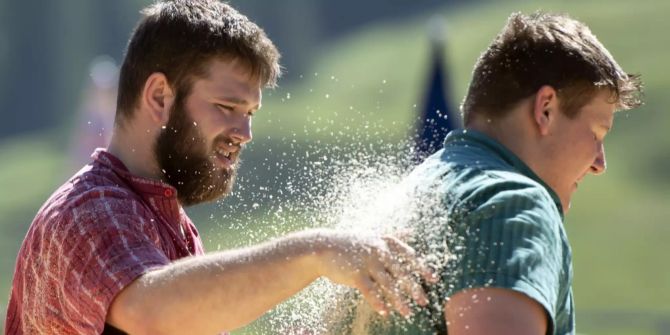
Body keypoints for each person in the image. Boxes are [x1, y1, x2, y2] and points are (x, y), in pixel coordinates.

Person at [4, 1, 437, 334]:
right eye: (227, 106)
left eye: (250, 112)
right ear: (159, 97)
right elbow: (152, 312)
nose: (244, 131)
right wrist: (317, 251)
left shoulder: (169, 226)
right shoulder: (88, 211)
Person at [331, 11, 642, 335]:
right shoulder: (512, 206)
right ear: (546, 109)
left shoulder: (402, 197)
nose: (599, 164)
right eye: (597, 133)